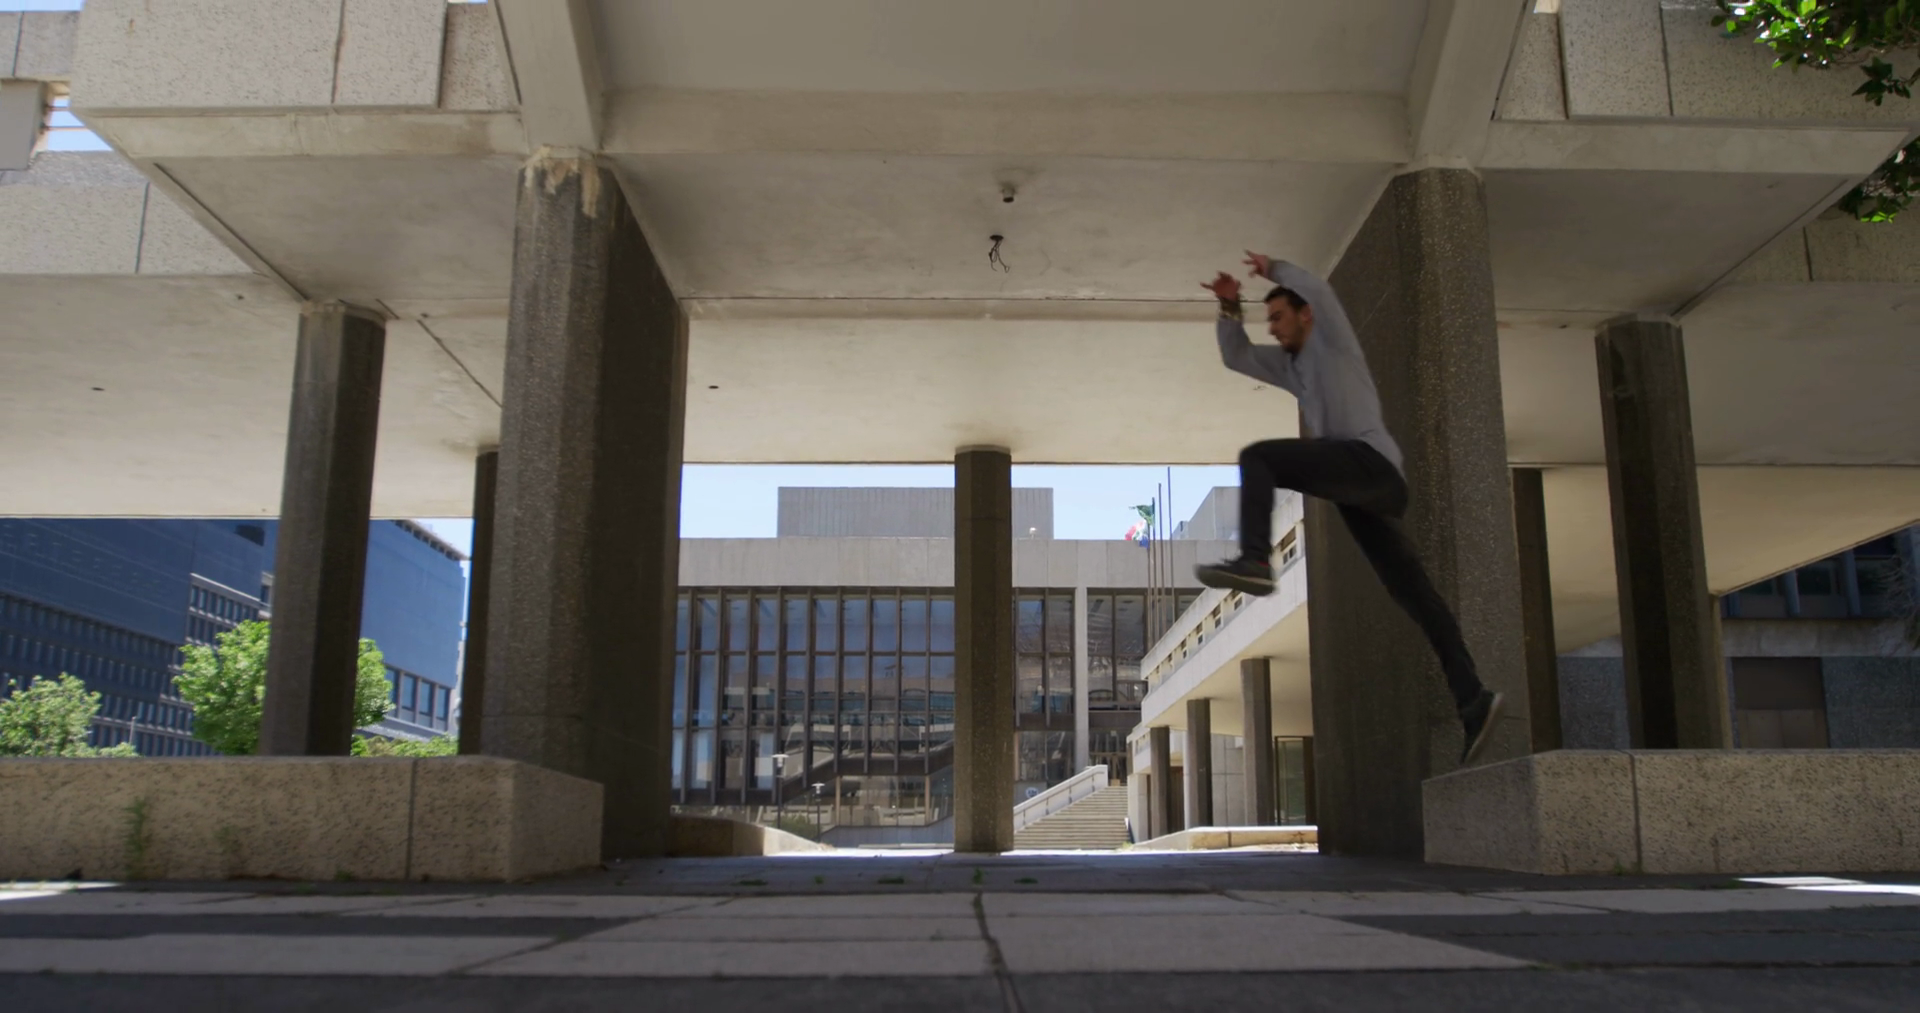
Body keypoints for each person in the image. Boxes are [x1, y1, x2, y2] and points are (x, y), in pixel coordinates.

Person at [1196, 250, 1504, 764]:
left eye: (1278, 317)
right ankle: (1473, 700)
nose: (1272, 328)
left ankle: (1255, 559)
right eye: (1268, 320)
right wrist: (1230, 306)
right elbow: (1237, 357)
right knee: (1413, 593)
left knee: (1259, 458)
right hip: (1357, 490)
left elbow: (1319, 289)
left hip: (1370, 466)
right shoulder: (1290, 367)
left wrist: (1275, 269)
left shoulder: (1332, 338)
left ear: (1305, 315)